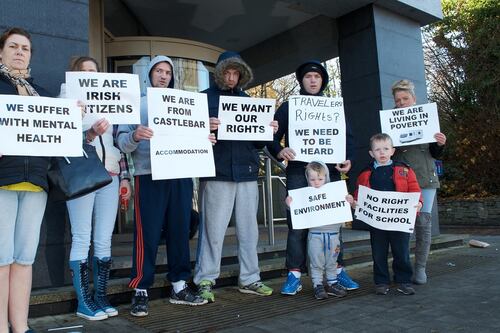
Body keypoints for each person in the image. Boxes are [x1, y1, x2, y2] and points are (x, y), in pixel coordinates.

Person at [117, 55, 208, 317]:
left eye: (167, 72)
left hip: (180, 175)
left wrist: (206, 138)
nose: (164, 75)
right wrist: (134, 135)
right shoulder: (138, 104)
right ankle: (140, 289)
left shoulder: (185, 104)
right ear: (150, 74)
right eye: (159, 70)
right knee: (147, 235)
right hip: (148, 174)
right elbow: (122, 141)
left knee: (180, 230)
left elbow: (196, 136)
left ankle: (179, 285)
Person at [268, 60, 359, 295]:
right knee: (297, 224)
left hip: (330, 170)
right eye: (308, 76)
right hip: (299, 171)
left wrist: (348, 159)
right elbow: (270, 135)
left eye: (317, 77)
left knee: (334, 219)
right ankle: (294, 274)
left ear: (322, 81)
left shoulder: (333, 107)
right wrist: (279, 150)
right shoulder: (289, 107)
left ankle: (337, 270)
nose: (312, 80)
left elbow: (348, 137)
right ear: (301, 80)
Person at [194, 51, 278, 303]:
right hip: (216, 172)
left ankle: (250, 278)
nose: (231, 77)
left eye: (235, 73)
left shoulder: (249, 100)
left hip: (247, 173)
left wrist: (269, 130)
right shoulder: (202, 100)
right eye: (227, 73)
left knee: (249, 231)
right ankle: (205, 279)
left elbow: (258, 142)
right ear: (220, 73)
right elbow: (187, 135)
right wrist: (203, 126)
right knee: (212, 230)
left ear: (241, 75)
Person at [60, 56, 132, 320]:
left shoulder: (111, 102)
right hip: (81, 172)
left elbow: (116, 143)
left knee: (103, 238)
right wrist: (87, 134)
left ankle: (100, 296)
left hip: (110, 174)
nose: (90, 74)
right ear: (75, 75)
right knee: (82, 237)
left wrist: (125, 177)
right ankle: (83, 302)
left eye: (94, 71)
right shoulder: (66, 99)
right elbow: (60, 137)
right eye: (84, 71)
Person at [0, 27, 51, 333]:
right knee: (1, 260)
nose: (20, 52)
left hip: (35, 184)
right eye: (14, 46)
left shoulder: (42, 94)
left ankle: (20, 326)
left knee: (24, 259)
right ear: (1, 51)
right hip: (3, 181)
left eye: (26, 48)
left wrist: (79, 123)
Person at [347, 133, 422, 295]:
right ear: (371, 153)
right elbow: (360, 193)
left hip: (399, 222)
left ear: (392, 151)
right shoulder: (365, 173)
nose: (382, 152)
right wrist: (355, 203)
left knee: (401, 252)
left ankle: (403, 281)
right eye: (377, 149)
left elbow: (415, 189)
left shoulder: (404, 170)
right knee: (378, 253)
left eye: (385, 149)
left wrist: (419, 202)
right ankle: (381, 282)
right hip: (377, 222)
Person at [390, 80, 446, 284]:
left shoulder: (428, 119)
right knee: (402, 226)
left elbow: (435, 153)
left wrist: (440, 143)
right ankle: (403, 268)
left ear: (414, 99)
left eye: (406, 99)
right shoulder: (391, 123)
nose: (402, 102)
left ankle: (420, 268)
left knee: (423, 224)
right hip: (401, 179)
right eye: (398, 100)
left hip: (425, 178)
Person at [285, 161, 348, 300]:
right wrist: (290, 205)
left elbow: (347, 207)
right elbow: (298, 211)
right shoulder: (305, 195)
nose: (317, 182)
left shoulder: (335, 193)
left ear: (326, 177)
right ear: (307, 179)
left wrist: (349, 201)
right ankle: (317, 284)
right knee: (316, 261)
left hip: (333, 236)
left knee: (332, 260)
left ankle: (332, 283)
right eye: (312, 179)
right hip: (315, 236)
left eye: (320, 179)